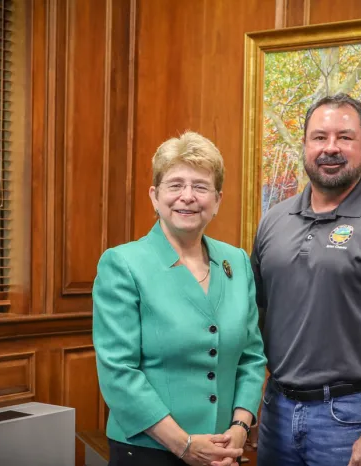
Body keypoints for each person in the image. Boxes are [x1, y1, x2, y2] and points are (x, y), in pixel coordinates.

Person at [250, 93, 361, 466]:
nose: (330, 148)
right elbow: (256, 316)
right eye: (319, 137)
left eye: (344, 137)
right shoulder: (274, 220)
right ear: (304, 145)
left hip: (349, 419)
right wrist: (251, 406)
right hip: (276, 409)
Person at [93, 131, 267, 466]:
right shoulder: (123, 264)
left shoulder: (237, 263)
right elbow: (118, 371)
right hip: (149, 452)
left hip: (222, 452)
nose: (187, 197)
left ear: (216, 200)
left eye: (200, 187)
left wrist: (241, 425)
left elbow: (252, 357)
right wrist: (184, 445)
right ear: (155, 197)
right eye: (175, 185)